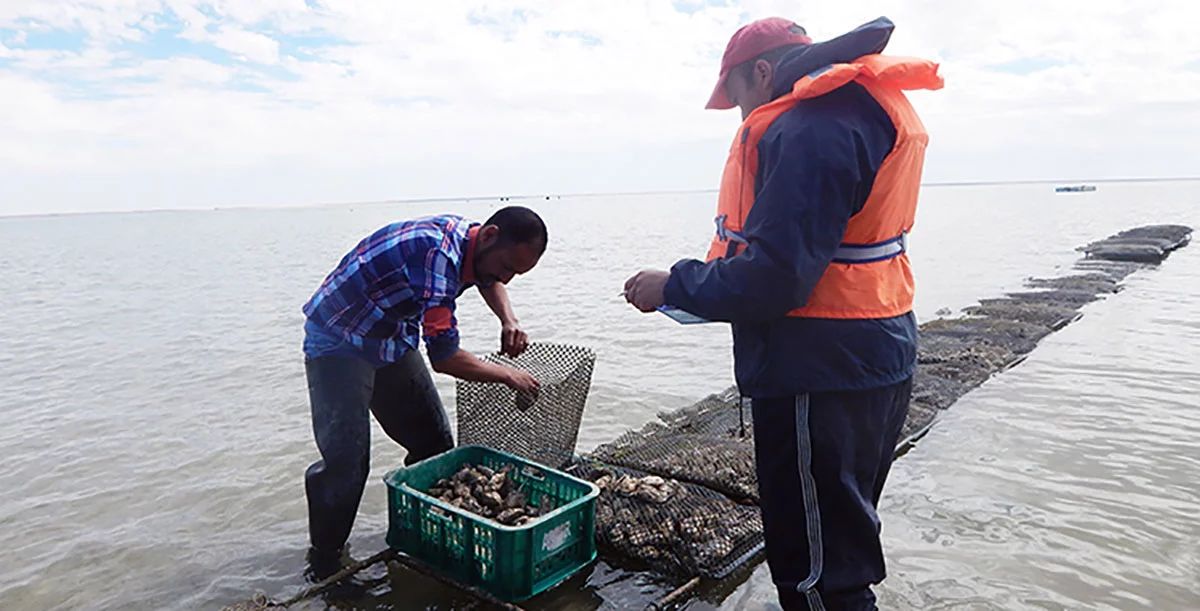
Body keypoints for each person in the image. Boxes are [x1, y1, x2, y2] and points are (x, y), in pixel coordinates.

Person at [623, 16, 943, 611]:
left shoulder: (812, 124)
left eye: (740, 97)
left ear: (763, 72)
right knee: (841, 545)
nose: (744, 117)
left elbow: (776, 278)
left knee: (815, 573)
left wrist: (676, 283)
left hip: (817, 370)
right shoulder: (865, 105)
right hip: (878, 348)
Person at [300, 206, 546, 579]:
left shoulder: (476, 243)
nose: (506, 279)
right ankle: (325, 566)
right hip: (339, 338)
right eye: (507, 267)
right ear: (491, 234)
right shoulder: (437, 256)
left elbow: (488, 276)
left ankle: (425, 534)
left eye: (517, 273)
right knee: (346, 465)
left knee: (435, 444)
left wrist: (508, 319)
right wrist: (509, 376)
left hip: (391, 337)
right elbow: (445, 358)